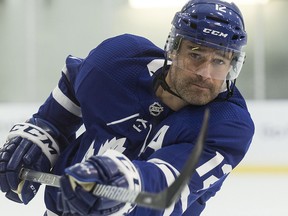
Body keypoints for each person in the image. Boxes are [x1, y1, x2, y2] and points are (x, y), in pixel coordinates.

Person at [0, 0, 254, 215]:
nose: (206, 74)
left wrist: (122, 183)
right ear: (173, 49)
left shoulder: (228, 124)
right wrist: (46, 131)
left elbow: (166, 185)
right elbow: (75, 80)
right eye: (196, 55)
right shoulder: (118, 61)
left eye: (219, 61)